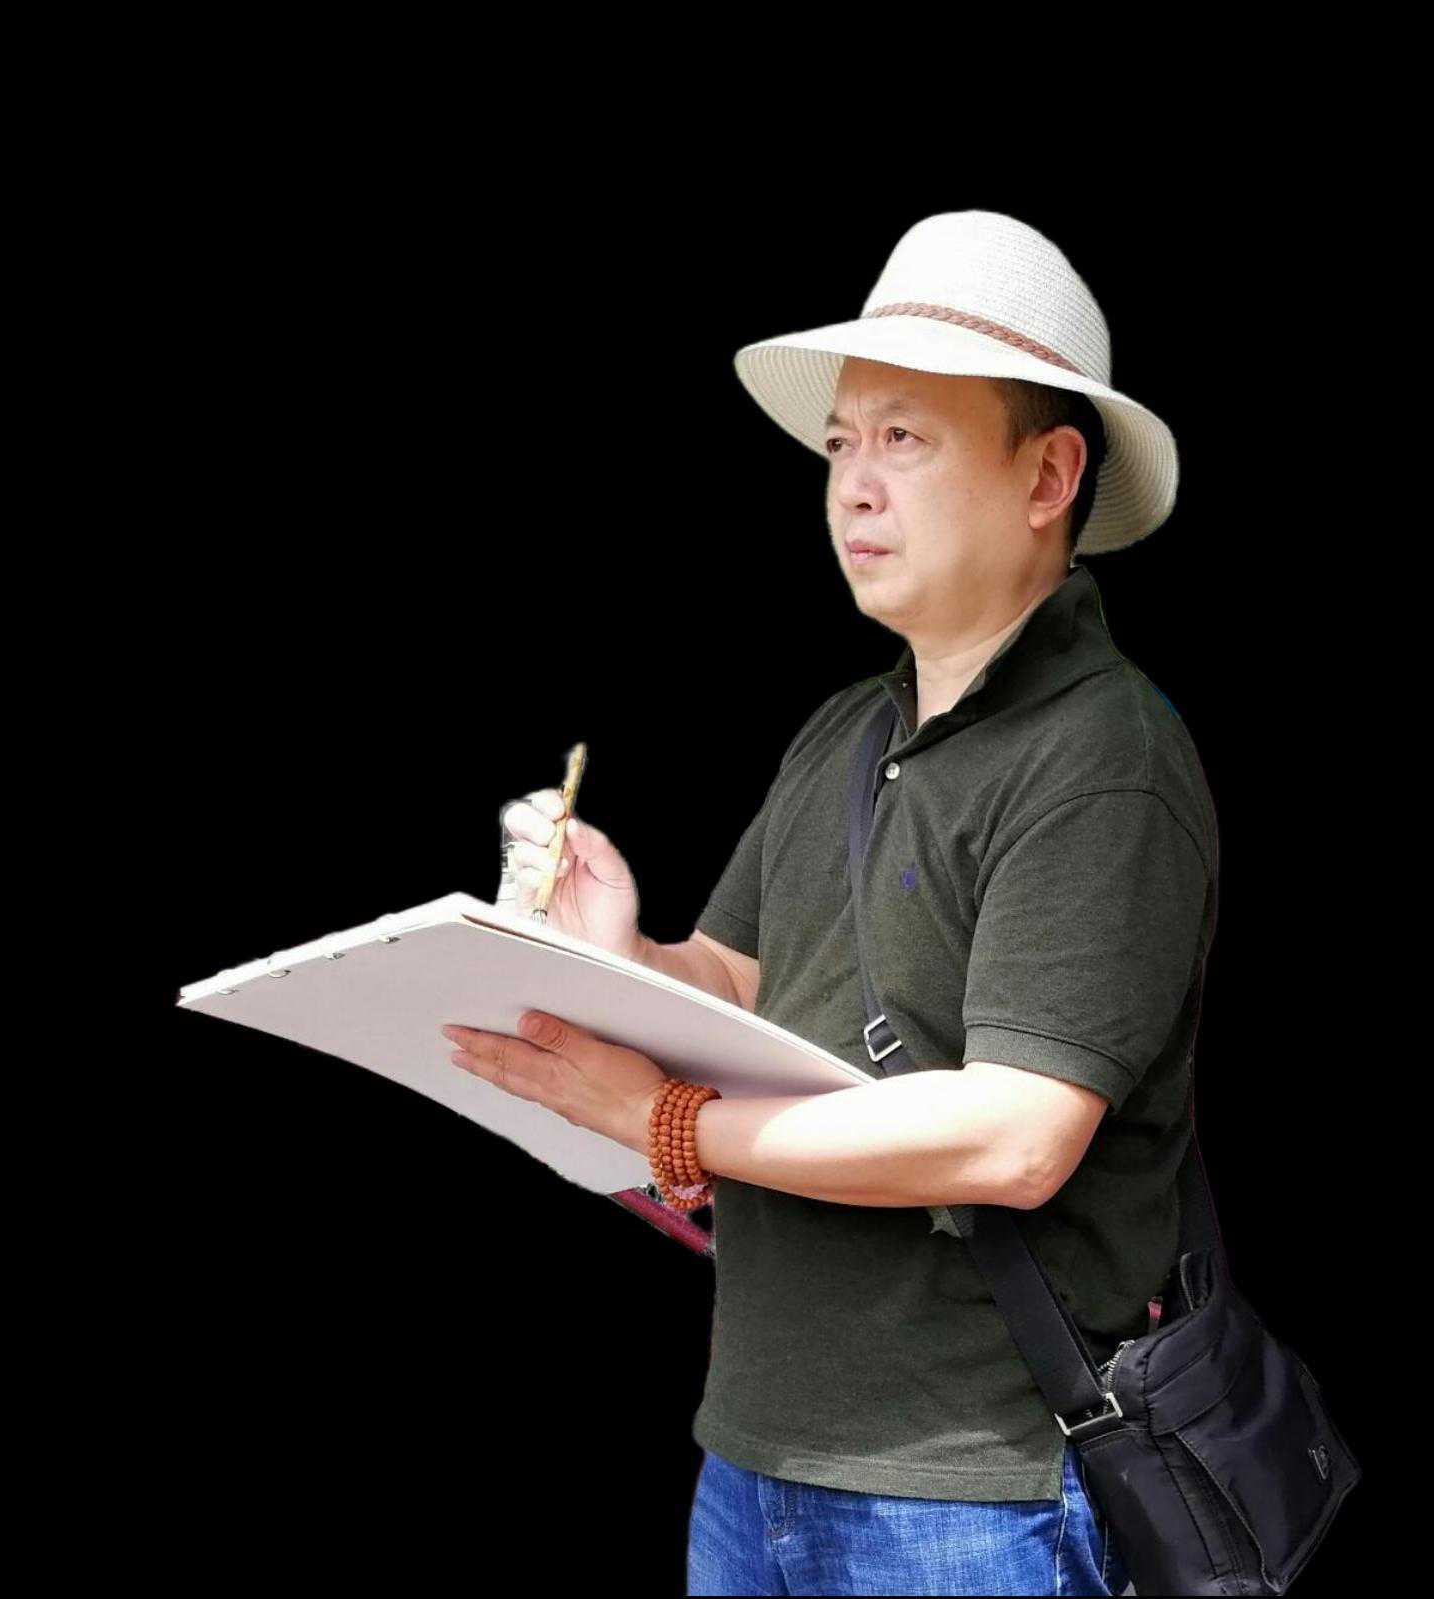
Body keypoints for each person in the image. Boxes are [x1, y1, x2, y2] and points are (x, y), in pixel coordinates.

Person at [482, 211, 1213, 1596]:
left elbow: (1016, 1136)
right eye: (839, 444)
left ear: (1049, 474)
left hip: (968, 1493)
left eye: (905, 439)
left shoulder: (1103, 753)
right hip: (752, 1453)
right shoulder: (845, 731)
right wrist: (618, 946)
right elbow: (739, 989)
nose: (852, 488)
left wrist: (662, 1123)